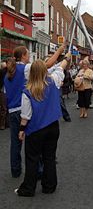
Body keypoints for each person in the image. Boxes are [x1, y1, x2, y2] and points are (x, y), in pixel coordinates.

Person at [4, 44, 65, 178]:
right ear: (24, 56)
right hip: (25, 108)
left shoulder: (8, 72)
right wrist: (59, 51)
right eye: (28, 53)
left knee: (15, 143)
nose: (29, 56)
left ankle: (15, 170)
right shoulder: (25, 68)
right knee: (33, 143)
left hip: (12, 110)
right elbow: (46, 66)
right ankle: (37, 171)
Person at [14, 52, 71, 197]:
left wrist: (21, 130)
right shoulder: (54, 81)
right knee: (49, 157)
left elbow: (26, 116)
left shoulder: (27, 91)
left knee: (32, 159)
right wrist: (66, 58)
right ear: (45, 70)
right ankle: (49, 186)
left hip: (36, 129)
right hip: (53, 127)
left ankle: (28, 188)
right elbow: (60, 68)